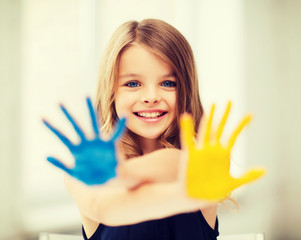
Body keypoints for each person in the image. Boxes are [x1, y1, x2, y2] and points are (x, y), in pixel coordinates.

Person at [43, 19, 265, 240]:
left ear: (186, 90)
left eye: (168, 83)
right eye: (132, 84)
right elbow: (105, 208)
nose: (151, 97)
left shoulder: (199, 165)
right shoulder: (83, 172)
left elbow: (174, 164)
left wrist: (124, 174)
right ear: (111, 91)